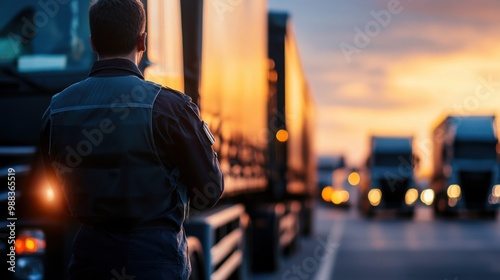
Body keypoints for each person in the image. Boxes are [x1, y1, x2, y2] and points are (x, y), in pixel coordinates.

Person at [39, 0, 224, 279]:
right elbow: (211, 189)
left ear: (92, 42)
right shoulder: (170, 107)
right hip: (156, 259)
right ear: (143, 41)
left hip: (89, 259)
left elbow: (53, 194)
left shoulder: (57, 109)